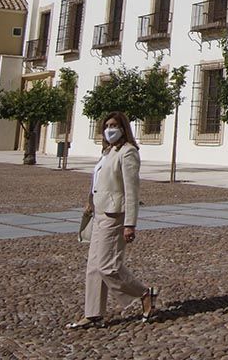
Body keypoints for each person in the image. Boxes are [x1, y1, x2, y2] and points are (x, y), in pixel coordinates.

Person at [66, 111, 158, 328]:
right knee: (93, 266)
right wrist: (90, 201)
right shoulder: (108, 152)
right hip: (99, 213)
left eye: (114, 125)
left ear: (123, 128)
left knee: (108, 266)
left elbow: (132, 190)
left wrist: (130, 223)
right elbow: (99, 181)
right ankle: (93, 314)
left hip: (115, 215)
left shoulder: (128, 153)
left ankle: (145, 293)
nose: (110, 129)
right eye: (107, 125)